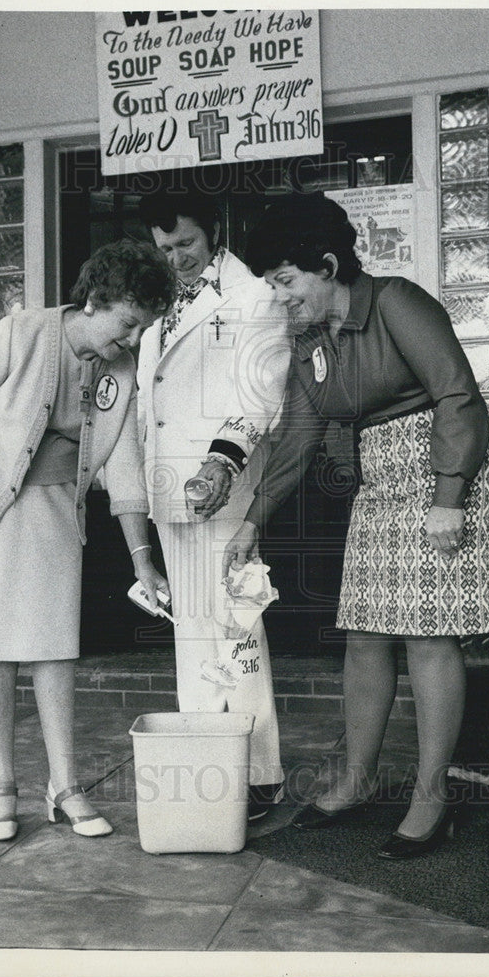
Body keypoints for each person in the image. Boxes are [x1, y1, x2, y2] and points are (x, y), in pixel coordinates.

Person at [223, 192, 489, 858]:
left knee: (426, 636)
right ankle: (358, 778)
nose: (279, 298)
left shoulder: (396, 301)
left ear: (327, 265)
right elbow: (297, 439)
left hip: (448, 461)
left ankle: (432, 795)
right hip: (381, 475)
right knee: (364, 633)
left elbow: (457, 394)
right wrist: (253, 520)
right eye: (271, 285)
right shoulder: (311, 342)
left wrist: (448, 495)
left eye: (285, 281)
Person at [0, 240, 175, 841]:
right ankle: (0, 779)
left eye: (145, 328)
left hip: (58, 512)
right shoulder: (21, 333)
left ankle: (63, 786)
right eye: (129, 323)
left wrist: (143, 558)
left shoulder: (120, 371)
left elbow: (124, 466)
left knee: (54, 646)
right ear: (94, 301)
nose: (135, 340)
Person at [137, 189, 291, 820]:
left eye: (186, 245)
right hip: (168, 489)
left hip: (221, 487)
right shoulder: (158, 302)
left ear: (217, 231)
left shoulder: (253, 295)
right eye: (164, 248)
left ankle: (259, 773)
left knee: (235, 629)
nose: (175, 259)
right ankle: (207, 763)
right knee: (192, 634)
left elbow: (261, 391)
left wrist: (221, 461)